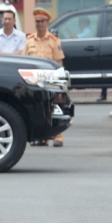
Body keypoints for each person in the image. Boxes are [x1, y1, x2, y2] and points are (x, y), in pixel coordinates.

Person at [23, 8, 65, 146]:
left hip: (50, 80)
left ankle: (57, 136)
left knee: (54, 107)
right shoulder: (29, 41)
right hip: (34, 80)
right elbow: (24, 61)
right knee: (38, 108)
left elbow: (59, 63)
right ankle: (42, 136)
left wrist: (60, 83)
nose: (39, 24)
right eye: (37, 21)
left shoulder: (54, 41)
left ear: (47, 23)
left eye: (42, 21)